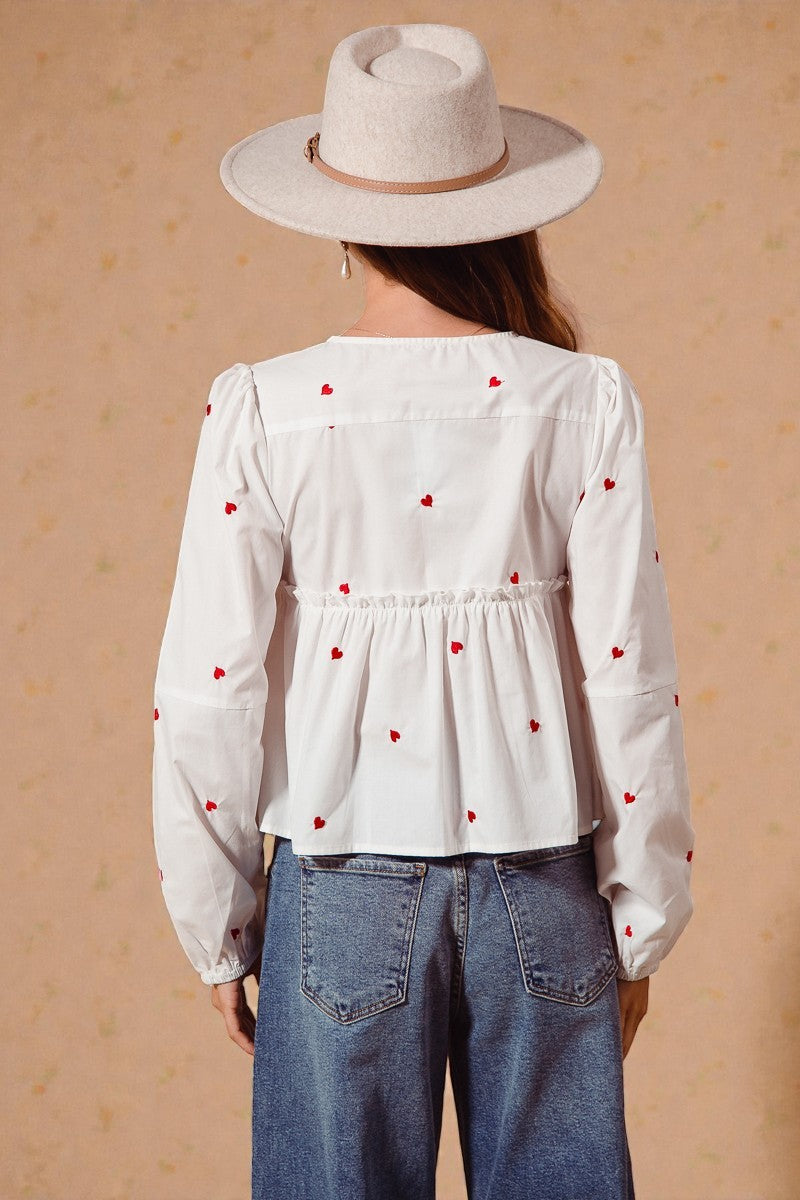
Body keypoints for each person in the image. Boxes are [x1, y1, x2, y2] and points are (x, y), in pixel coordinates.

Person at [151, 22, 696, 1200]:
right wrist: (642, 914)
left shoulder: (265, 408)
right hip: (543, 884)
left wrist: (216, 924)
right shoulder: (580, 398)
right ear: (505, 207)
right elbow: (625, 675)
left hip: (339, 879)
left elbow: (210, 690)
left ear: (337, 220)